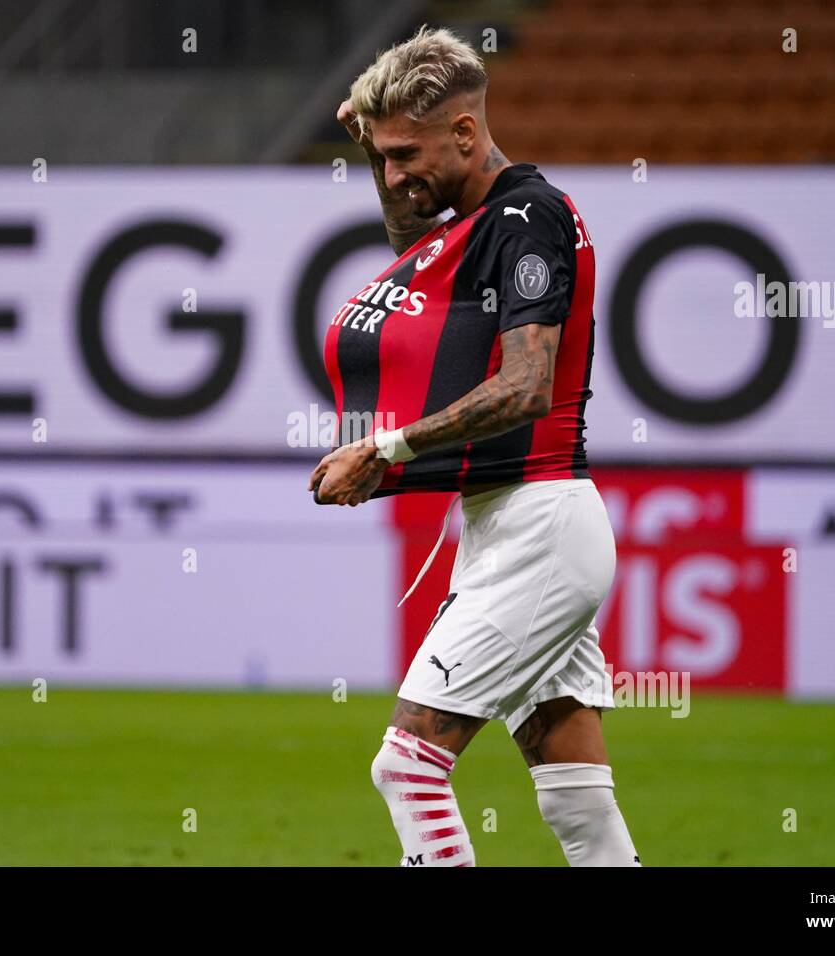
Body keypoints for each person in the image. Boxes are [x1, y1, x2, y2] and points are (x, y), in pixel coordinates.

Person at [308, 25, 639, 867]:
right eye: (380, 158)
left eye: (405, 153)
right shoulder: (480, 221)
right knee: (578, 800)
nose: (393, 176)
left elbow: (526, 387)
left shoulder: (529, 219)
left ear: (465, 132)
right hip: (506, 522)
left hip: (543, 523)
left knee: (407, 765)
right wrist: (376, 154)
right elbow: (407, 248)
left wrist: (385, 448)